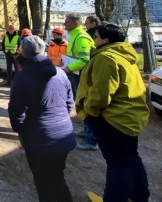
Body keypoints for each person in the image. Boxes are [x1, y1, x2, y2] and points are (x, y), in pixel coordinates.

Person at [76, 24, 150, 202]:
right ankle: (139, 197)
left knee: (117, 163)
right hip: (128, 117)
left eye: (97, 37)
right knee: (131, 158)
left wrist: (89, 111)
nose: (94, 40)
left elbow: (101, 93)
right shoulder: (124, 56)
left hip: (113, 120)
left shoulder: (106, 58)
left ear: (105, 40)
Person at [8, 35, 76, 202]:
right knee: (57, 177)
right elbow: (69, 103)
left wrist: (20, 128)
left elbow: (16, 110)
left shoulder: (22, 77)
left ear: (23, 51)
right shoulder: (60, 72)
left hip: (39, 139)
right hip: (64, 135)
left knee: (44, 182)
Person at [63, 13, 97, 150]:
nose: (64, 24)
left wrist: (68, 67)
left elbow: (84, 60)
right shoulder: (74, 36)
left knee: (85, 105)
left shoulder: (81, 37)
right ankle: (87, 132)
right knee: (80, 105)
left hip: (80, 76)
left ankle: (91, 140)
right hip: (76, 75)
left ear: (75, 23)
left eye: (66, 22)